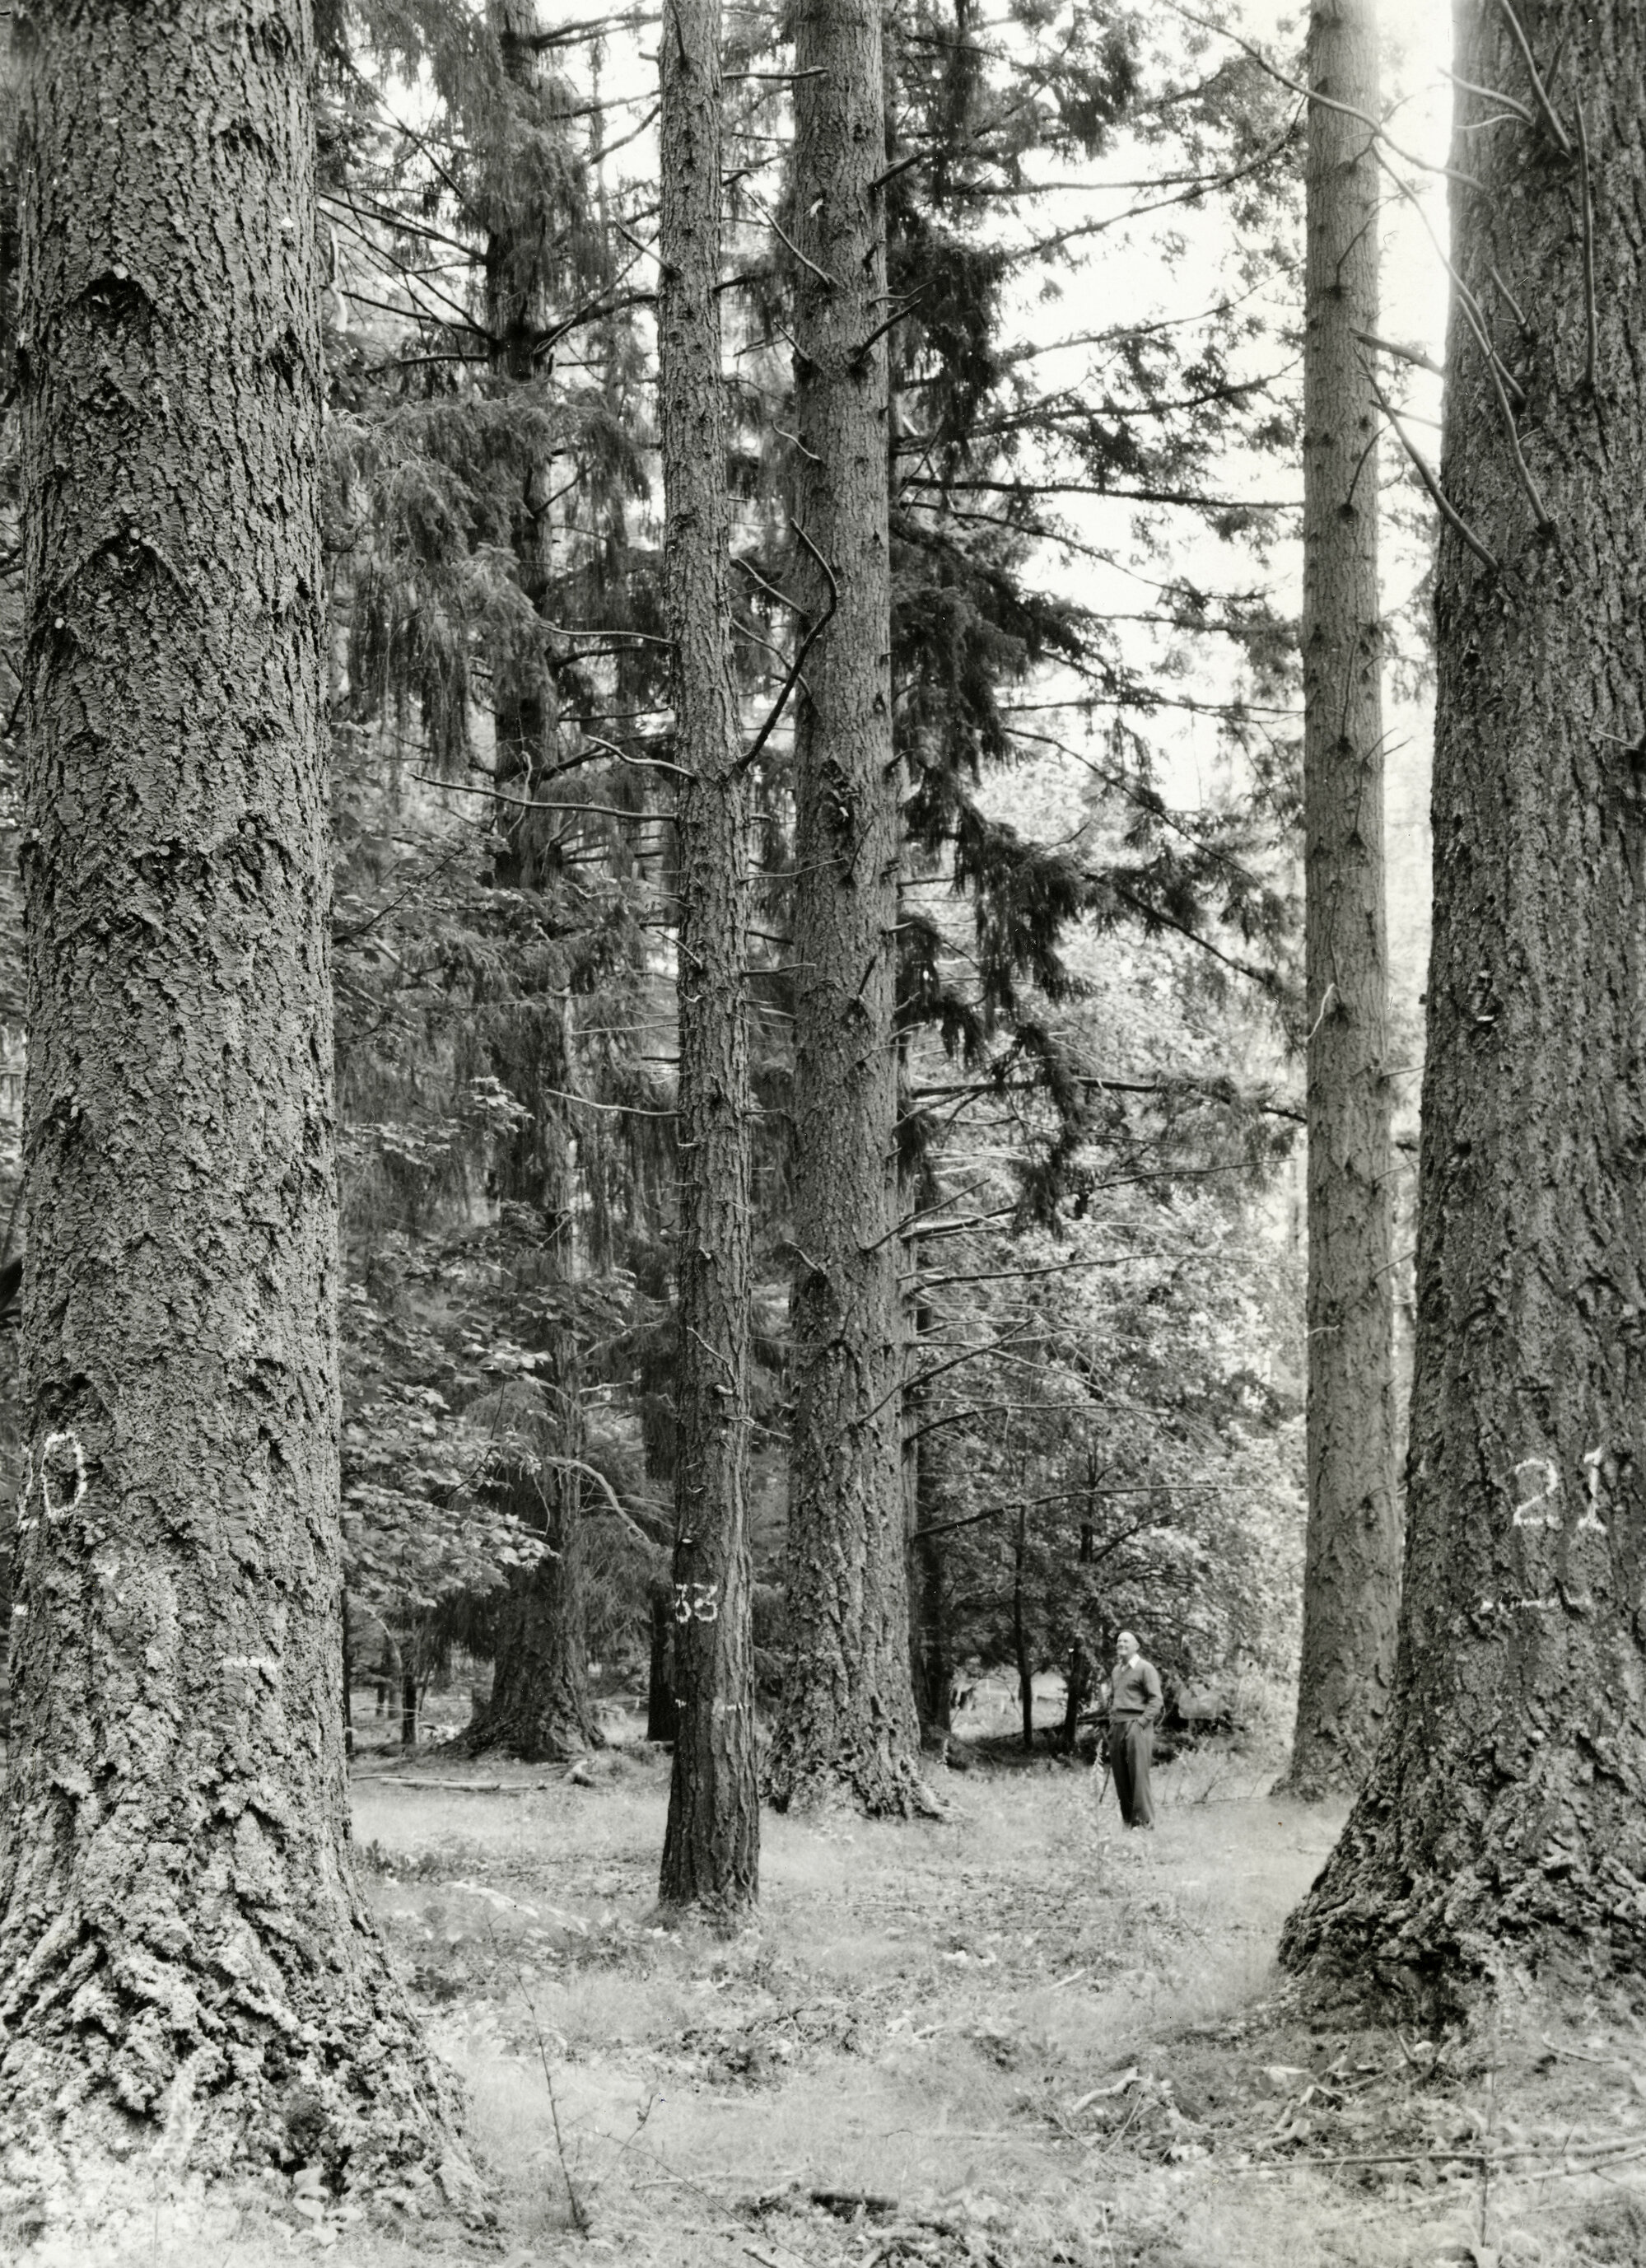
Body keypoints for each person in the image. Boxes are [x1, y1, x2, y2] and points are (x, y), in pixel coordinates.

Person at [1107, 1630, 1163, 1829]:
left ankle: (1145, 1823)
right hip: (1118, 1726)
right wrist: (1112, 1724)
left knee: (1138, 1774)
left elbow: (1156, 1700)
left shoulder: (1145, 1668)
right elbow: (1114, 1699)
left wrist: (1140, 1724)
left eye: (1126, 1641)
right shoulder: (1116, 1670)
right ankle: (1128, 1821)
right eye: (1119, 1641)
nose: (1121, 1644)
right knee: (1121, 1776)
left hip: (1138, 1726)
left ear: (1137, 1646)